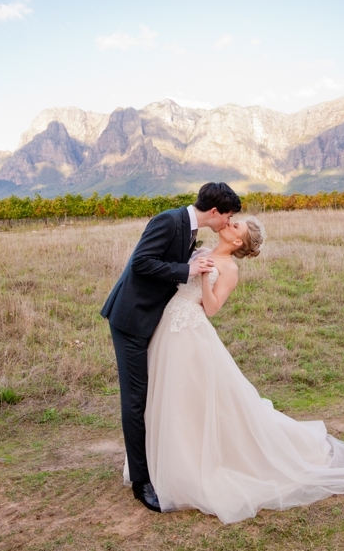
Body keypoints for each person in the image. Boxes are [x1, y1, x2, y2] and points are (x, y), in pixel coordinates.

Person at [134, 216, 344, 523]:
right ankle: (165, 459)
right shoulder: (200, 248)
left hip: (192, 329)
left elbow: (212, 308)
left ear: (236, 243)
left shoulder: (229, 268)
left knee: (193, 395)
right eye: (233, 221)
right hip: (169, 325)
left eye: (236, 227)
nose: (230, 224)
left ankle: (194, 464)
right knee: (171, 393)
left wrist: (205, 277)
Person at [101, 182, 242, 512]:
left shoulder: (191, 230)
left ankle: (160, 461)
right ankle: (141, 481)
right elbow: (140, 263)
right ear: (214, 212)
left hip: (155, 321)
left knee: (152, 395)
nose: (228, 221)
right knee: (136, 399)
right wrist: (187, 269)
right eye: (229, 215)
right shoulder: (168, 220)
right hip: (132, 319)